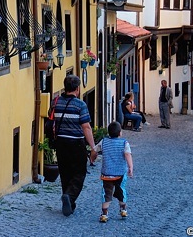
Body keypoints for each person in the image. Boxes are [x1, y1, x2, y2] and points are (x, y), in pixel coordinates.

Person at [53, 74, 97, 216]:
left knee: (65, 173)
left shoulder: (56, 101)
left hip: (60, 142)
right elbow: (86, 127)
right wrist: (93, 147)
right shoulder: (80, 105)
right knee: (79, 173)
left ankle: (69, 203)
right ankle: (69, 196)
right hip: (76, 143)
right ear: (77, 88)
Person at [95, 121, 133, 223]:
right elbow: (128, 155)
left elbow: (95, 150)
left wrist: (92, 158)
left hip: (106, 173)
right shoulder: (124, 143)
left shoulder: (103, 142)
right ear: (120, 133)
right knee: (121, 190)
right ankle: (123, 209)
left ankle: (104, 214)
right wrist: (130, 167)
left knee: (106, 193)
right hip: (120, 173)